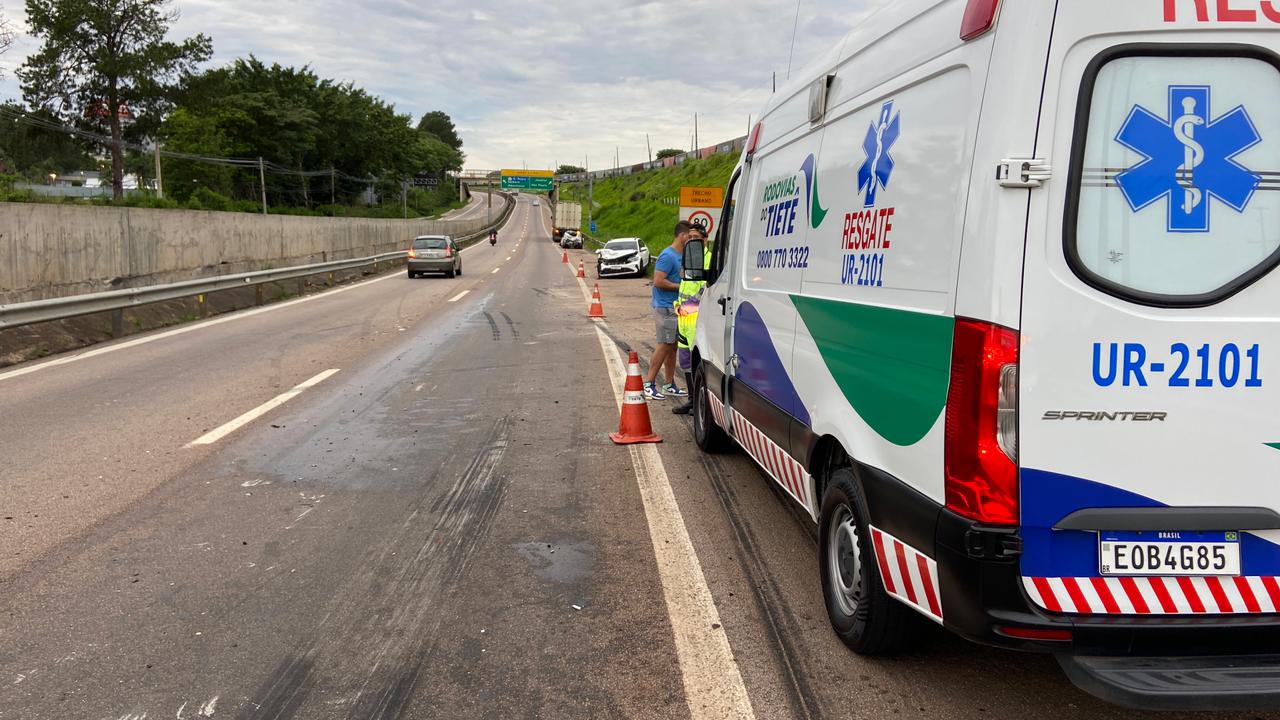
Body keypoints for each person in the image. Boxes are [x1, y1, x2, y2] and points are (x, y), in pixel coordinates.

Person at [643, 221, 697, 401]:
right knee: (664, 344)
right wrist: (681, 287)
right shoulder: (668, 256)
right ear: (683, 236)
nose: (691, 239)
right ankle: (649, 384)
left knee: (673, 347)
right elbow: (658, 281)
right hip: (664, 306)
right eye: (689, 236)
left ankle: (668, 384)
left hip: (675, 307)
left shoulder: (682, 255)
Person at [671, 226, 711, 415]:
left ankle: (700, 404)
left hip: (697, 322)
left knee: (699, 365)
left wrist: (689, 307)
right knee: (686, 364)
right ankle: (691, 400)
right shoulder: (688, 260)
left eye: (696, 237)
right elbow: (683, 290)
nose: (692, 241)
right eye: (690, 237)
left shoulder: (709, 260)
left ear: (705, 239)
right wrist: (677, 305)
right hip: (683, 322)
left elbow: (704, 292)